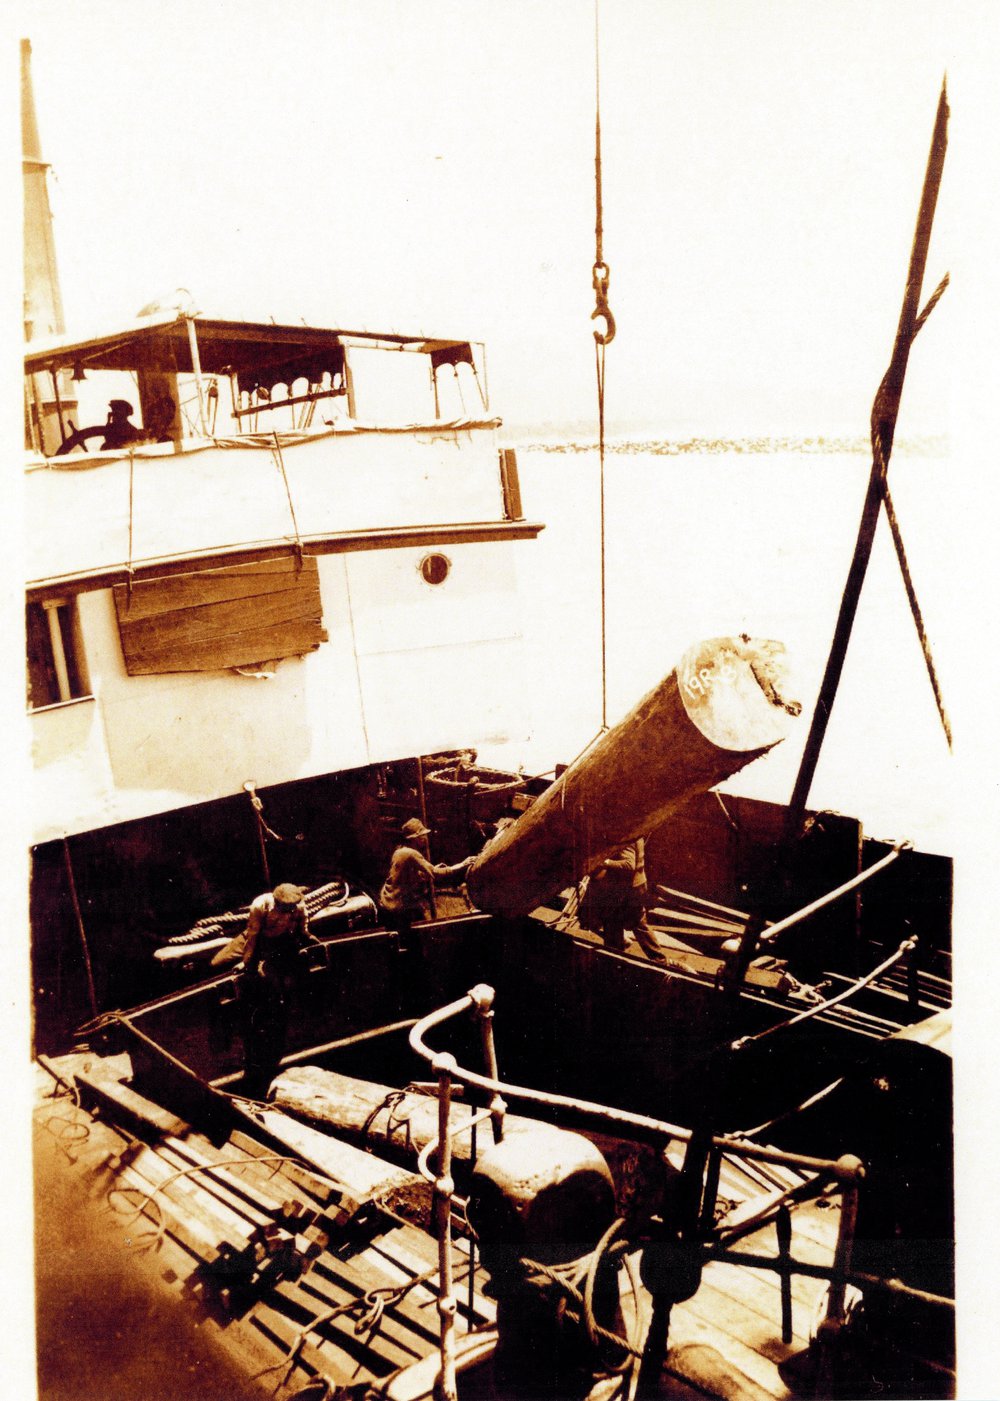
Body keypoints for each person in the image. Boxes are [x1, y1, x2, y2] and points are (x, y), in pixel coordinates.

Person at [210, 882, 321, 1091]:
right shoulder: (260, 906)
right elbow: (252, 936)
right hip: (258, 938)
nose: (289, 911)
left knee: (273, 980)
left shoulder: (298, 906)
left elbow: (302, 927)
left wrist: (308, 938)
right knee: (217, 962)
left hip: (281, 942)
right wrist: (246, 961)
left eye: (291, 908)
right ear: (275, 901)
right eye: (284, 908)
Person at [379, 818, 473, 952]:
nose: (425, 838)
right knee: (417, 938)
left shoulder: (399, 852)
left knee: (404, 940)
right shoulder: (411, 853)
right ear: (415, 838)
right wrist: (463, 864)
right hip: (398, 907)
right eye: (422, 835)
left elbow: (406, 877)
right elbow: (437, 873)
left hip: (388, 903)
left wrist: (428, 871)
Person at [580, 838, 666, 965]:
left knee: (632, 922)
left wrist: (604, 862)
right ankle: (615, 957)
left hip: (629, 890)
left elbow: (629, 864)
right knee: (618, 921)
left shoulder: (628, 837)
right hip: (631, 887)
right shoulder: (637, 832)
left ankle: (659, 961)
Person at [55, 398, 145, 454]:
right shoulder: (110, 428)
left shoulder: (131, 431)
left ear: (124, 413)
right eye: (113, 411)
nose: (113, 413)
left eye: (116, 411)